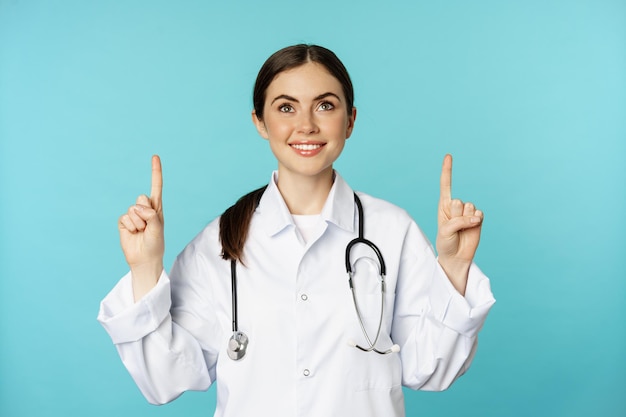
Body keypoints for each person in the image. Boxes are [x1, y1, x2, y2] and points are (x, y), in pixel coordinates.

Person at [98, 44, 495, 417]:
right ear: (260, 122)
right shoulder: (221, 240)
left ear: (350, 119)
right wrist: (145, 269)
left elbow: (430, 371)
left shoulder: (392, 231)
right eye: (286, 108)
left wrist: (455, 267)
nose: (306, 125)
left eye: (325, 105)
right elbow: (165, 380)